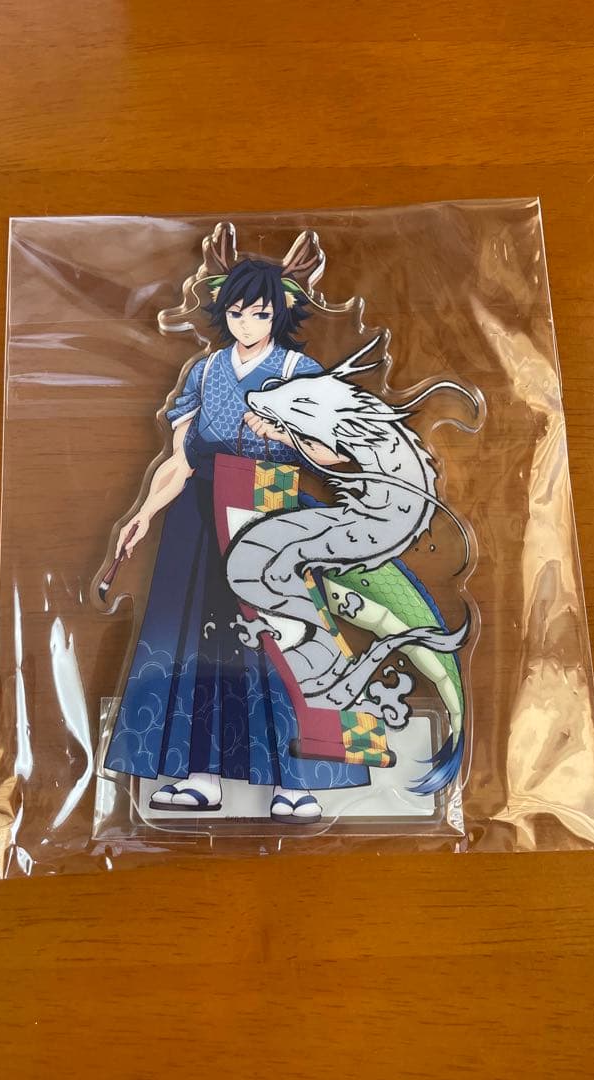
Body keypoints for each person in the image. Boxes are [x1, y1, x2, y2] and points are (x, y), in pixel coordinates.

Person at [103, 258, 370, 821]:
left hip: (268, 504)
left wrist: (287, 430)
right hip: (199, 514)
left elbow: (336, 454)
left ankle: (295, 782)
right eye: (237, 313)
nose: (247, 324)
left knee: (281, 636)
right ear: (223, 313)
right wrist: (143, 514)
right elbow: (180, 460)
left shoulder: (299, 370)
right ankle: (201, 775)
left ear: (280, 313)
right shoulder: (204, 372)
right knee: (198, 642)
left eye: (260, 314)